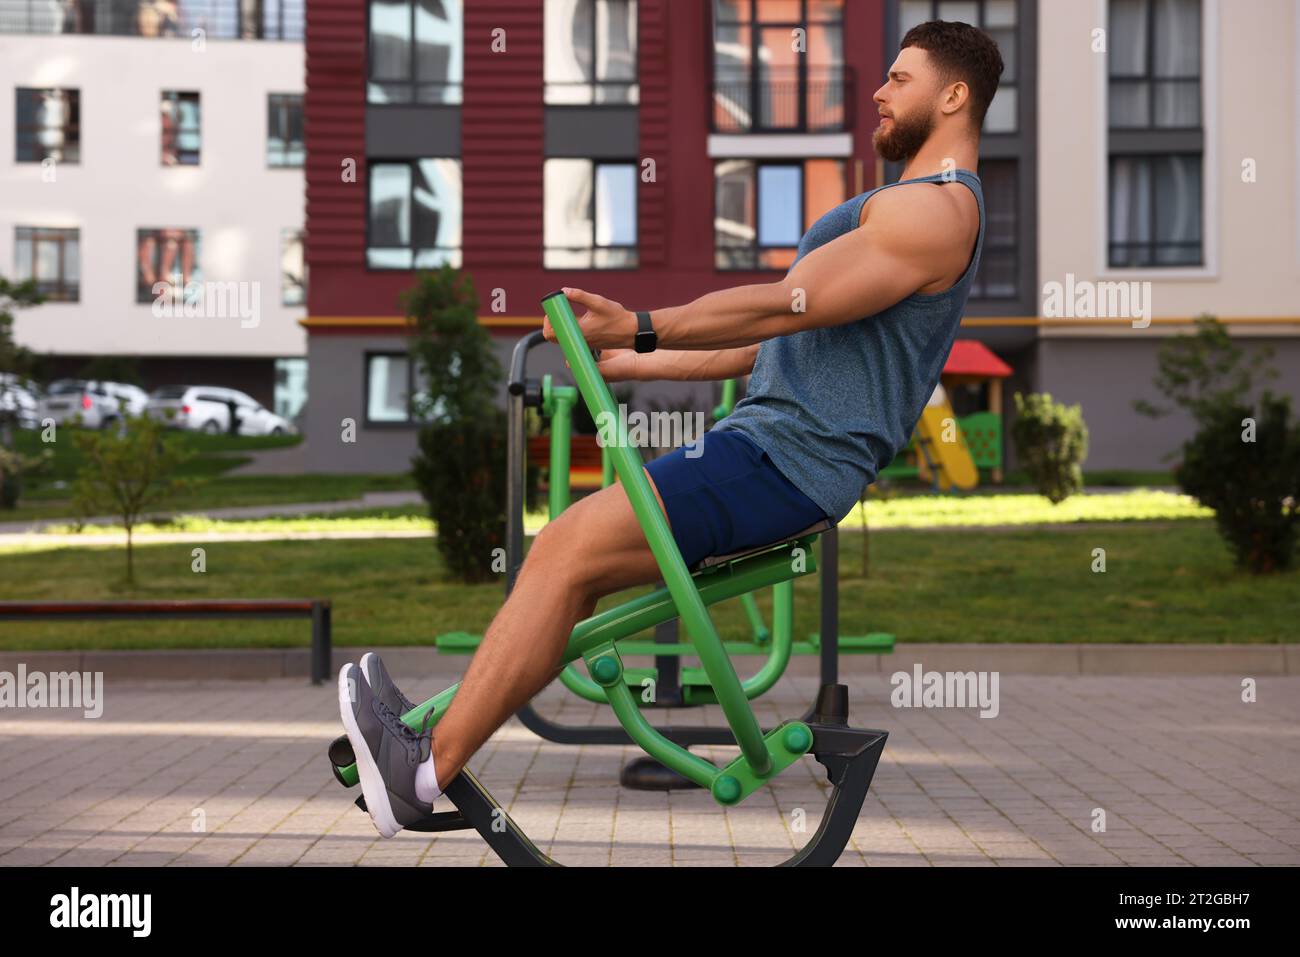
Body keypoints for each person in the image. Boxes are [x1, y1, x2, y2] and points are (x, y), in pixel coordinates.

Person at [339, 19, 1003, 838]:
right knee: (569, 566)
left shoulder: (936, 212)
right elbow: (768, 342)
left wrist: (644, 321)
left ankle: (420, 771)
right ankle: (424, 752)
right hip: (770, 448)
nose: (878, 89)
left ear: (954, 94)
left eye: (899, 77)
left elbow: (777, 302)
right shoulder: (903, 210)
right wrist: (632, 358)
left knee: (562, 550)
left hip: (783, 460)